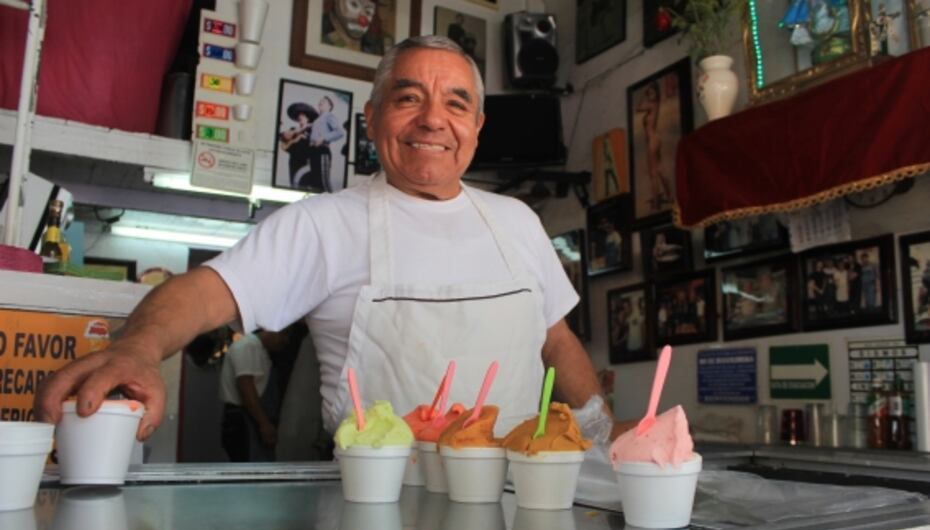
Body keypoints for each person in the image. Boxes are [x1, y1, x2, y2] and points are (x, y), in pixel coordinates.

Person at [34, 35, 626, 447]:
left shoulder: (517, 220)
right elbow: (204, 293)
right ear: (371, 120)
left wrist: (604, 433)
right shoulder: (323, 224)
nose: (432, 119)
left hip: (516, 512)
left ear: (476, 127)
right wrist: (138, 348)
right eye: (408, 97)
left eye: (455, 103)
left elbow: (557, 341)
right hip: (377, 521)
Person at [219, 329, 290, 462]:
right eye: (285, 334)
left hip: (253, 419)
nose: (286, 341)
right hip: (245, 420)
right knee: (250, 471)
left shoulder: (259, 349)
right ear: (273, 330)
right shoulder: (247, 346)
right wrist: (264, 424)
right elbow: (246, 386)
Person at [635, 81, 672, 213]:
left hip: (652, 139)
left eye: (652, 92)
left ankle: (656, 203)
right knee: (660, 169)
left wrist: (644, 94)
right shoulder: (655, 104)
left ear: (655, 92)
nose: (650, 94)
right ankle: (668, 195)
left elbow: (638, 107)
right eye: (649, 92)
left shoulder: (651, 104)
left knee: (653, 173)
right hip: (655, 138)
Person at [307, 96, 346, 193]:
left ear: (329, 106)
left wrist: (324, 138)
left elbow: (340, 132)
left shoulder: (329, 116)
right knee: (315, 182)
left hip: (322, 151)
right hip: (313, 152)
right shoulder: (317, 120)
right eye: (320, 101)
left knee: (324, 182)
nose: (320, 102)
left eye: (323, 102)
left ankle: (330, 205)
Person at [279, 102, 319, 188]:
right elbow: (283, 144)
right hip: (294, 163)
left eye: (303, 116)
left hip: (307, 164)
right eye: (298, 117)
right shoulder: (293, 131)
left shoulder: (313, 131)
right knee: (294, 184)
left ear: (308, 118)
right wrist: (296, 139)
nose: (300, 118)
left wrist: (306, 128)